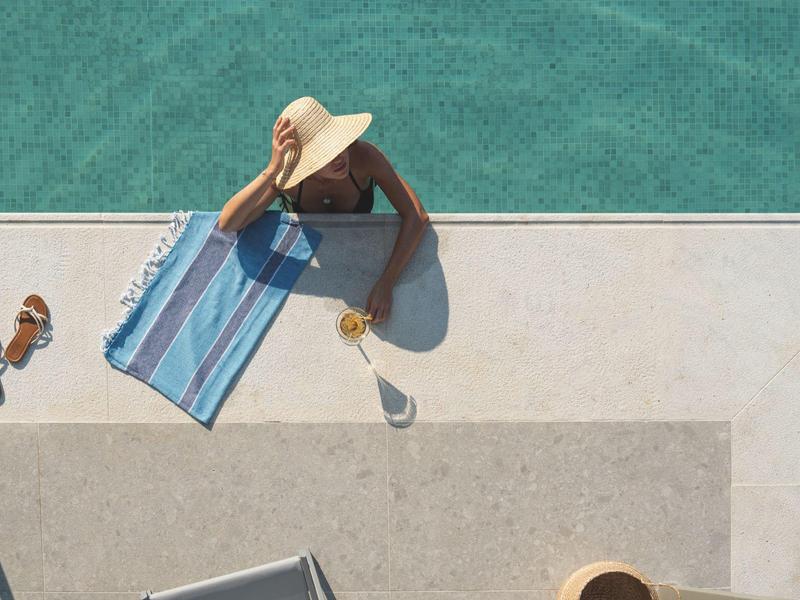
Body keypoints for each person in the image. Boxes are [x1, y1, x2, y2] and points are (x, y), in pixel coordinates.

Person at [220, 97, 429, 324]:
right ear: (305, 161)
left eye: (338, 145)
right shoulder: (289, 180)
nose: (339, 157)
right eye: (325, 154)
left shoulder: (364, 158)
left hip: (358, 247)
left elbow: (417, 215)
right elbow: (229, 223)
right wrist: (272, 171)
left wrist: (387, 283)